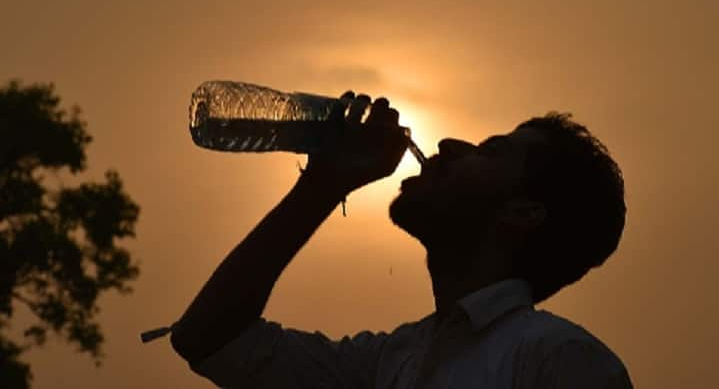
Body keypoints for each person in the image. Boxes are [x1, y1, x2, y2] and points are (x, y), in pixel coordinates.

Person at [169, 93, 633, 388]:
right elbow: (209, 339)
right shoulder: (389, 362)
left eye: (491, 151)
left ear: (523, 213)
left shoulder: (559, 360)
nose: (449, 144)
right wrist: (322, 187)